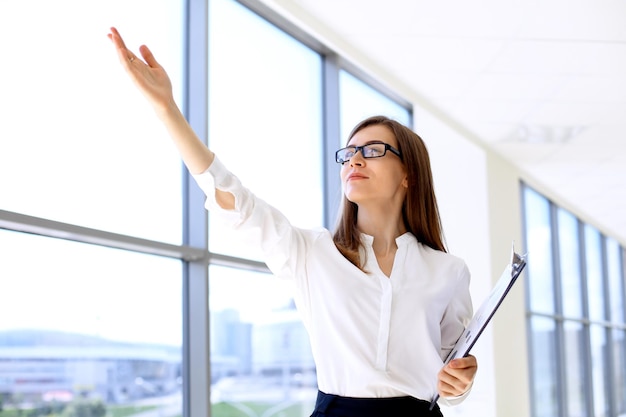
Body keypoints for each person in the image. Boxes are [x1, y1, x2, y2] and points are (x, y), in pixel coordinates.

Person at [108, 26, 478, 417]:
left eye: (373, 150)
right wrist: (167, 109)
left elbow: (451, 378)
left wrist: (461, 381)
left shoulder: (449, 271)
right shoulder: (311, 253)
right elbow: (234, 200)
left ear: (409, 174)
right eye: (349, 152)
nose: (354, 160)